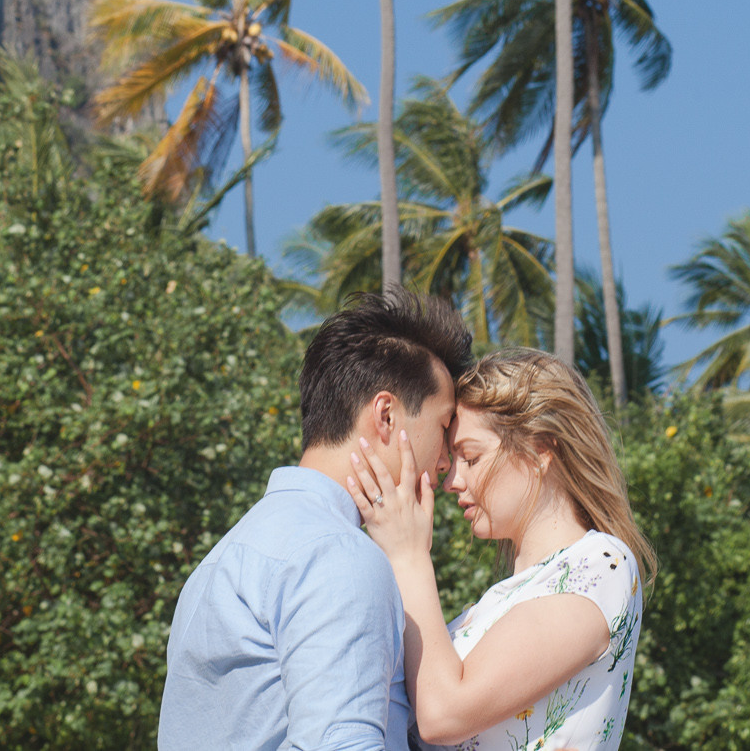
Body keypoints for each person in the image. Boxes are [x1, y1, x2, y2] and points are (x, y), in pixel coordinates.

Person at [159, 289, 474, 751]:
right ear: (385, 415)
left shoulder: (224, 556)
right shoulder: (336, 555)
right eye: (445, 426)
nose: (447, 461)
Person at [346, 348, 656, 751]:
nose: (453, 479)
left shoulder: (601, 566)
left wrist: (408, 556)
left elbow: (443, 713)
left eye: (471, 458)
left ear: (541, 450)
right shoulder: (501, 601)